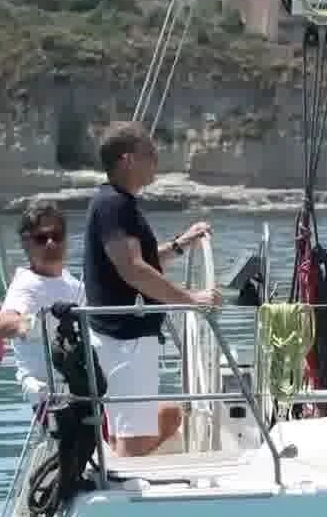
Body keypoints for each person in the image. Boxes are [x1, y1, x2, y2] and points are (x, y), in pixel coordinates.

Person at [83, 121, 222, 457]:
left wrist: (179, 245)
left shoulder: (114, 203)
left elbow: (138, 260)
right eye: (151, 154)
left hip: (120, 339)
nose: (157, 161)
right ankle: (124, 496)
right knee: (134, 443)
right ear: (129, 159)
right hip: (125, 341)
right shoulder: (114, 205)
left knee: (125, 432)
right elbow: (133, 269)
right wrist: (190, 300)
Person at [0, 200, 86, 422]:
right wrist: (32, 324)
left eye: (57, 236)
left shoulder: (74, 284)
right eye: (41, 238)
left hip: (86, 386)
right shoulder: (26, 284)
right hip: (52, 398)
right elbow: (4, 324)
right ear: (26, 243)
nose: (50, 243)